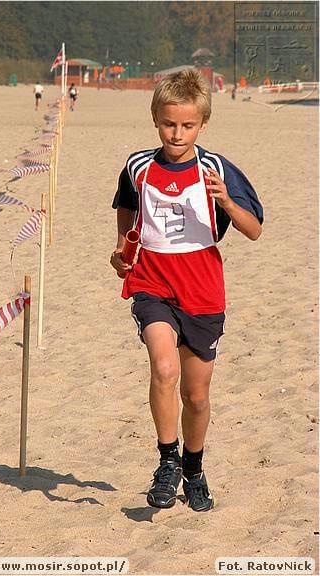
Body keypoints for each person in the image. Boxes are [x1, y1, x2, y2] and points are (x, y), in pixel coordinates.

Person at [110, 69, 263, 512]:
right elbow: (125, 207)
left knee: (196, 395)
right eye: (168, 124)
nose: (177, 134)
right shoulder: (137, 166)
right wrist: (122, 250)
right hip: (152, 282)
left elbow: (253, 230)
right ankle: (166, 462)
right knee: (163, 368)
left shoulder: (215, 168)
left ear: (202, 124)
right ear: (155, 119)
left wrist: (227, 202)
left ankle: (194, 470)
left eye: (187, 125)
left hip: (202, 289)